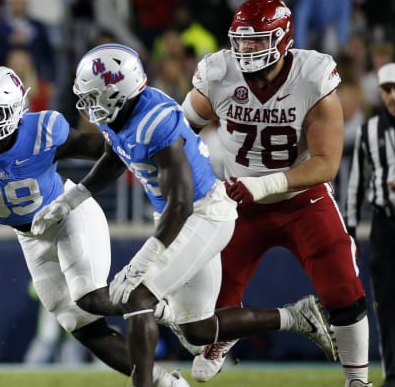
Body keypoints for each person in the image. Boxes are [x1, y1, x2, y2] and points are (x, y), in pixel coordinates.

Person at [30, 43, 336, 387]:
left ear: (118, 91)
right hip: (182, 216)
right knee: (198, 330)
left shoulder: (156, 123)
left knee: (138, 297)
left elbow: (181, 203)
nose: (87, 104)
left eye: (93, 95)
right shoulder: (123, 114)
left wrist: (143, 259)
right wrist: (73, 198)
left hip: (202, 215)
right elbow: (117, 155)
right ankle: (296, 317)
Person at [0, 65, 188, 386]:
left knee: (88, 297)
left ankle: (163, 306)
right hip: (29, 236)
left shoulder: (42, 130)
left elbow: (103, 147)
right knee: (79, 324)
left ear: (15, 110)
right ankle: (164, 382)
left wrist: (156, 147)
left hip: (69, 213)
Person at [180, 0, 371, 387]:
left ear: (282, 39)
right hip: (237, 202)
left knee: (343, 290)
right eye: (242, 41)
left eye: (257, 41)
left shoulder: (313, 76)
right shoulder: (218, 73)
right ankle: (226, 334)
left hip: (302, 199)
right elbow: (178, 134)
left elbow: (325, 163)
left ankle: (358, 380)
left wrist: (264, 183)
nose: (247, 50)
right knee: (203, 312)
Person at [346, 63, 395, 387]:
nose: (392, 95)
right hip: (384, 227)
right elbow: (356, 184)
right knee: (388, 304)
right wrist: (350, 231)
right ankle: (392, 375)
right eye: (387, 89)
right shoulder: (369, 130)